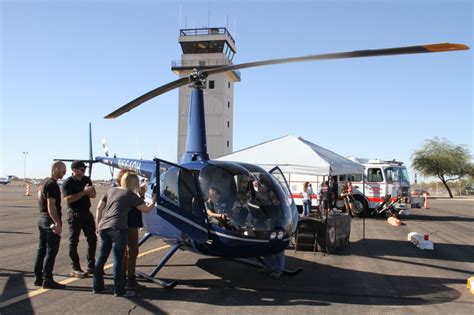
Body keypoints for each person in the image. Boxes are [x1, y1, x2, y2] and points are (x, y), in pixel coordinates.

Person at [93, 172, 156, 297]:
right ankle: (120, 290)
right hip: (118, 228)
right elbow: (147, 209)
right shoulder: (130, 194)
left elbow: (99, 208)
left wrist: (98, 225)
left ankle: (97, 287)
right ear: (133, 183)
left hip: (104, 227)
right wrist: (154, 199)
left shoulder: (110, 190)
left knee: (101, 259)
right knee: (118, 259)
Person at [33, 161, 67, 289]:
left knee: (41, 249)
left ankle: (38, 277)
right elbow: (51, 205)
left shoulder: (43, 182)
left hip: (42, 219)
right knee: (51, 251)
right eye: (63, 170)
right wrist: (57, 222)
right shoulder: (52, 184)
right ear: (56, 169)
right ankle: (48, 279)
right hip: (49, 220)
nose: (65, 173)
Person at [62, 160, 97, 278]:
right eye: (82, 169)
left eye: (85, 169)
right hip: (74, 213)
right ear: (74, 170)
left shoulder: (87, 180)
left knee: (92, 239)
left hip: (86, 212)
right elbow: (68, 199)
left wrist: (89, 192)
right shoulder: (68, 182)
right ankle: (75, 267)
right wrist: (84, 192)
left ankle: (91, 265)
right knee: (74, 241)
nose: (84, 171)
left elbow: (93, 195)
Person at [116, 170, 147, 289]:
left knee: (124, 252)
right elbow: (144, 208)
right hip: (130, 225)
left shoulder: (118, 192)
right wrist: (145, 196)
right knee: (133, 251)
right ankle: (131, 279)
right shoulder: (130, 195)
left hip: (121, 225)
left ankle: (122, 277)